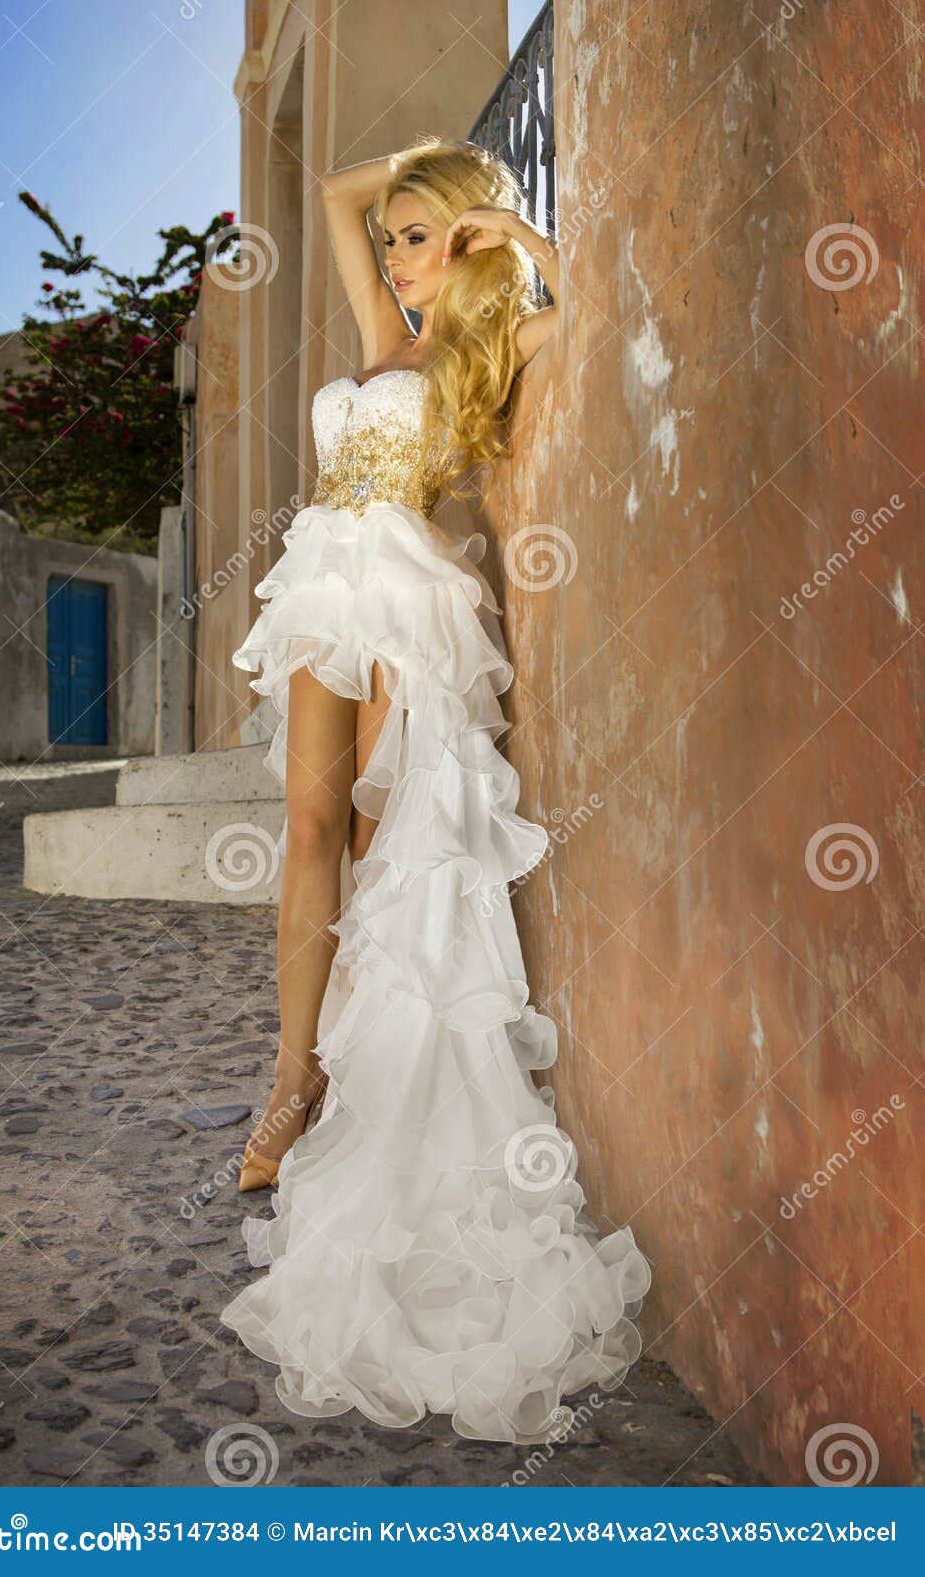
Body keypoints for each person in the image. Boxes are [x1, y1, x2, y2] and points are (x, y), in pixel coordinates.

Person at [219, 138, 651, 1443]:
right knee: (305, 830)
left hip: (407, 590)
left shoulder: (485, 340)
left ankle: (371, 1086)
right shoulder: (378, 329)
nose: (400, 255)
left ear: (458, 243)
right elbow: (339, 196)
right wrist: (416, 173)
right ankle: (291, 1084)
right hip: (319, 579)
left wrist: (501, 240)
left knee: (391, 842)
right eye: (400, 241)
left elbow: (593, 309)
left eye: (420, 237)